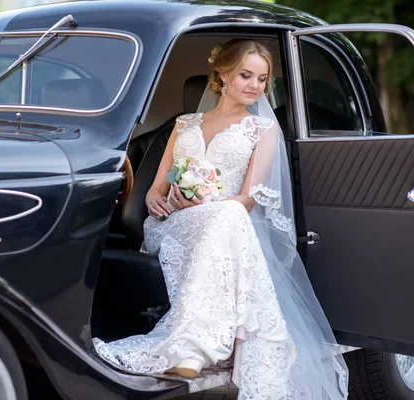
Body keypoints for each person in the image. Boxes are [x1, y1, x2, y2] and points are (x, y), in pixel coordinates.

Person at [93, 39, 350, 399]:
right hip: (171, 224)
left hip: (224, 219)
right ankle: (221, 341)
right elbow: (156, 188)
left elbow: (247, 198)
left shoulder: (262, 129)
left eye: (262, 79)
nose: (254, 86)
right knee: (224, 218)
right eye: (246, 75)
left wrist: (207, 201)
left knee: (228, 214)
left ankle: (197, 347)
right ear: (223, 74)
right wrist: (156, 199)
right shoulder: (184, 124)